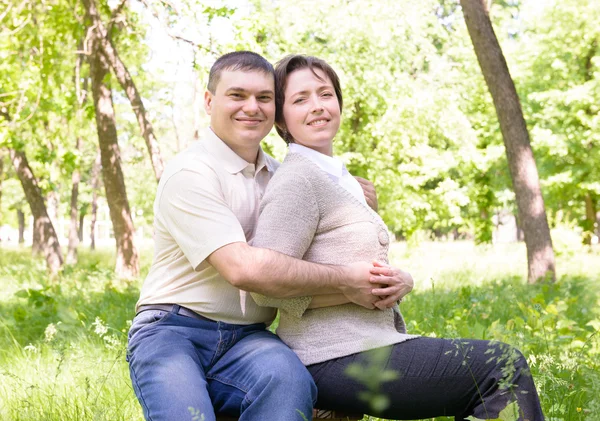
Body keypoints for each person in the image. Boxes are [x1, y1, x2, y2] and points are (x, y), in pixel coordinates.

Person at [250, 54, 545, 421]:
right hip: (331, 355)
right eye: (300, 99)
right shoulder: (297, 180)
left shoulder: (337, 179)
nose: (317, 106)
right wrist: (345, 288)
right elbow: (263, 285)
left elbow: (352, 263)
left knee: (494, 370)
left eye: (325, 94)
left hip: (366, 346)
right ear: (281, 118)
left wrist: (400, 280)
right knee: (501, 367)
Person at [126, 51, 414, 421]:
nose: (252, 107)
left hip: (248, 338)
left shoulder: (286, 178)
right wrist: (346, 280)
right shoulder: (191, 173)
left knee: (289, 383)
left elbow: (334, 230)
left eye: (264, 98)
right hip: (173, 330)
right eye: (237, 95)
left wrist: (355, 195)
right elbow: (243, 270)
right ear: (210, 101)